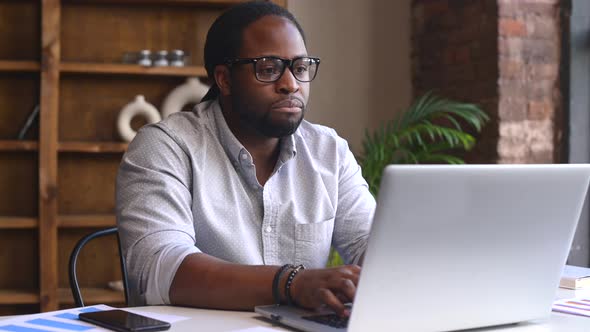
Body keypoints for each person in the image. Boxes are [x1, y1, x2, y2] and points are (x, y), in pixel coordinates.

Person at [116, 1, 375, 317]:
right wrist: (290, 282)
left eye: (300, 68)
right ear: (224, 79)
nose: (290, 84)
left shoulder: (328, 151)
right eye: (268, 69)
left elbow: (371, 247)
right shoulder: (166, 146)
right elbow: (160, 268)